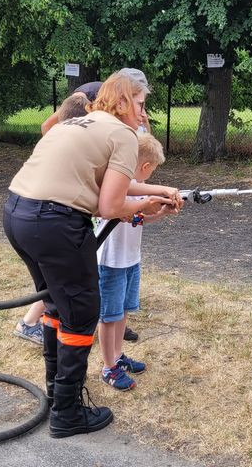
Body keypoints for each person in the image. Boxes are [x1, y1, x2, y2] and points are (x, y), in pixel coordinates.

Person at [3, 70, 182, 438]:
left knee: (56, 304)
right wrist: (144, 206)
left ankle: (57, 394)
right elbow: (110, 203)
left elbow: (112, 182)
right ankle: (67, 413)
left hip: (17, 214)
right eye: (141, 104)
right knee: (82, 314)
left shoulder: (83, 123)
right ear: (122, 102)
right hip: (56, 222)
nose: (144, 115)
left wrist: (160, 189)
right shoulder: (124, 134)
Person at [14, 92, 96, 345]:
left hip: (24, 210)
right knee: (63, 286)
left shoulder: (71, 127)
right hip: (50, 218)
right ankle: (30, 323)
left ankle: (41, 325)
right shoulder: (85, 123)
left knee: (57, 286)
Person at [98, 133, 174, 391]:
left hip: (131, 260)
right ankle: (108, 367)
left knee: (123, 312)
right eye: (152, 170)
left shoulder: (138, 192)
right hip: (110, 263)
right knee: (109, 316)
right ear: (145, 167)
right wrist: (148, 204)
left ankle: (118, 356)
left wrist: (161, 212)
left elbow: (136, 219)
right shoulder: (118, 187)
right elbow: (122, 215)